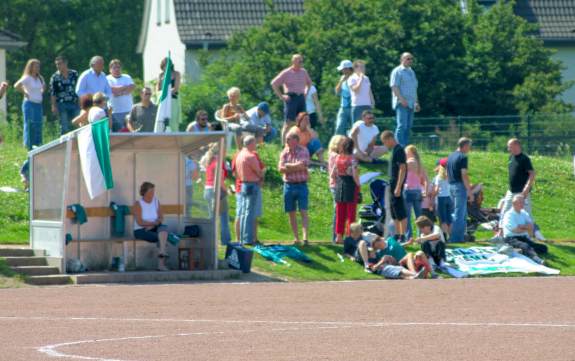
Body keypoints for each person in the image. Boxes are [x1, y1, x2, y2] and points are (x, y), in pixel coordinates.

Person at [271, 54, 312, 143]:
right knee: (288, 123)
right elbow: (274, 83)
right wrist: (281, 96)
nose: (301, 63)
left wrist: (305, 93)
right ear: (293, 62)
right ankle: (283, 144)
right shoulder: (287, 72)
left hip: (301, 98)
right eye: (299, 61)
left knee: (304, 121)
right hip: (291, 98)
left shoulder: (303, 72)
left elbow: (309, 83)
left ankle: (303, 143)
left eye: (302, 61)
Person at [278, 132, 310, 245]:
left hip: (301, 184)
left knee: (303, 211)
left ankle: (305, 238)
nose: (286, 142)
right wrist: (296, 166)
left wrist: (288, 166)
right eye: (286, 139)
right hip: (289, 185)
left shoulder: (303, 150)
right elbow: (280, 169)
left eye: (288, 139)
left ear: (296, 140)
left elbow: (303, 165)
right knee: (291, 212)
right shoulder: (284, 152)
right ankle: (296, 238)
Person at [499, 139, 538, 233]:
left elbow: (532, 174)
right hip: (511, 191)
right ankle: (500, 234)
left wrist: (526, 189)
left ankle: (533, 234)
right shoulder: (511, 157)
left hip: (522, 192)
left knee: (527, 214)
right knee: (504, 212)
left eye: (510, 146)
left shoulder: (524, 159)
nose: (508, 149)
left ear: (517, 146)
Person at [133, 182, 171, 271]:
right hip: (141, 230)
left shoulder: (156, 201)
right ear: (144, 192)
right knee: (162, 238)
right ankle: (161, 265)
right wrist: (152, 224)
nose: (152, 194)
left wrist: (154, 225)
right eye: (150, 192)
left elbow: (161, 217)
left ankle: (162, 253)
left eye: (153, 192)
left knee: (163, 229)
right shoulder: (138, 204)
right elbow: (139, 222)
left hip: (153, 227)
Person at [235, 136, 265, 245]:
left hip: (243, 184)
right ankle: (248, 239)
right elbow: (259, 172)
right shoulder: (250, 156)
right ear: (250, 143)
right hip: (252, 184)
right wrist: (263, 174)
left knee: (244, 212)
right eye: (255, 143)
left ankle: (243, 237)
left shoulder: (239, 155)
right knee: (250, 213)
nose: (256, 145)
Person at [501, 194, 547, 264]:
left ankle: (524, 251)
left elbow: (531, 226)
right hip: (511, 238)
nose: (523, 204)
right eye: (521, 202)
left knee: (543, 248)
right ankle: (536, 259)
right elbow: (515, 230)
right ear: (514, 203)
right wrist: (526, 228)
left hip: (523, 237)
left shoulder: (524, 213)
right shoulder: (509, 215)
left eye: (523, 202)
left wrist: (521, 226)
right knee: (525, 245)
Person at [380, 131, 407, 243]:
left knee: (400, 210)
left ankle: (402, 235)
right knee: (394, 210)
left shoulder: (399, 150)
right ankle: (397, 234)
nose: (385, 145)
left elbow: (402, 168)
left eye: (385, 142)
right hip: (392, 184)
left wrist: (398, 186)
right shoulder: (394, 151)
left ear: (390, 139)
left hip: (396, 185)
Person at [202, 144, 231, 245]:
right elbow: (219, 180)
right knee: (224, 217)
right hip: (217, 191)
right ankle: (225, 240)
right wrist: (227, 190)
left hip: (207, 190)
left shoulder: (209, 160)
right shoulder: (218, 162)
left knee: (212, 217)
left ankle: (211, 239)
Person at [333, 137, 360, 244]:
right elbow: (354, 174)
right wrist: (358, 184)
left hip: (340, 184)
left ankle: (339, 237)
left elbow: (334, 172)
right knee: (351, 214)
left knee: (340, 212)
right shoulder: (352, 158)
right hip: (351, 185)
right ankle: (350, 236)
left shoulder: (338, 158)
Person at [390, 52, 419, 147]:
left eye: (411, 59)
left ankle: (406, 146)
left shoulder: (412, 72)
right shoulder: (397, 71)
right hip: (401, 103)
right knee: (402, 125)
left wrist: (416, 102)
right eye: (407, 59)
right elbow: (394, 86)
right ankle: (399, 146)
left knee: (408, 126)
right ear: (402, 59)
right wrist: (401, 100)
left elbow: (414, 88)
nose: (410, 61)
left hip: (411, 103)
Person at [447, 137, 473, 243]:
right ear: (465, 145)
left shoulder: (451, 156)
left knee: (456, 213)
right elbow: (464, 175)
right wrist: (469, 191)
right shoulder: (463, 157)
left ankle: (459, 236)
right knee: (460, 214)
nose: (469, 149)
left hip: (451, 185)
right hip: (459, 186)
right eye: (469, 146)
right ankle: (455, 238)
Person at [14, 59, 45, 150]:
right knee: (30, 124)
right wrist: (24, 91)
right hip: (29, 104)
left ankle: (38, 144)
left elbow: (43, 86)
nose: (37, 68)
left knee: (38, 124)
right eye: (35, 66)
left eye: (38, 66)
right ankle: (29, 145)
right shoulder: (27, 77)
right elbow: (16, 85)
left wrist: (41, 91)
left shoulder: (40, 78)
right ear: (31, 67)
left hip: (38, 104)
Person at [49, 55, 79, 135]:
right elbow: (53, 92)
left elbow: (79, 88)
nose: (58, 66)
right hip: (62, 104)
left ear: (65, 63)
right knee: (64, 126)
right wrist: (53, 106)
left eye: (60, 63)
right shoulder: (55, 77)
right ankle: (64, 145)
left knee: (78, 124)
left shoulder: (74, 73)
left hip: (74, 102)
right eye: (56, 64)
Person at [404, 145, 428, 240]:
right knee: (419, 216)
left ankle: (408, 237)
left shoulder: (409, 162)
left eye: (406, 152)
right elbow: (426, 180)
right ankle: (420, 236)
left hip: (409, 190)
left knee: (408, 216)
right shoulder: (419, 164)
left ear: (410, 152)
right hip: (418, 191)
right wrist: (425, 191)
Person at [106, 59, 134, 132]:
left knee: (130, 132)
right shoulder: (107, 78)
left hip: (128, 110)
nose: (117, 69)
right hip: (115, 112)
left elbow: (131, 88)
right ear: (110, 69)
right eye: (114, 67)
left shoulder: (127, 77)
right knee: (118, 132)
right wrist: (125, 88)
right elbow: (112, 90)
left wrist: (119, 92)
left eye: (118, 67)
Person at [328, 135, 346, 241]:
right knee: (338, 211)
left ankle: (337, 236)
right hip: (337, 185)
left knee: (338, 210)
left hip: (336, 185)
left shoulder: (332, 154)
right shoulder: (336, 156)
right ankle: (336, 236)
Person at [157, 57, 182, 131]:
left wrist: (166, 92)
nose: (166, 66)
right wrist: (162, 94)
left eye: (168, 64)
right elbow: (158, 89)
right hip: (163, 99)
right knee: (161, 120)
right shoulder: (161, 75)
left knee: (173, 120)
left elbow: (176, 88)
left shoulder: (176, 74)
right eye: (165, 64)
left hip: (173, 99)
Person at [433, 158, 453, 237]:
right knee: (449, 219)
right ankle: (451, 236)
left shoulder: (439, 177)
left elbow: (437, 190)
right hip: (448, 198)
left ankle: (445, 236)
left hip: (441, 198)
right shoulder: (450, 176)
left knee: (443, 219)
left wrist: (432, 195)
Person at [334, 60, 353, 136]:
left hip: (353, 107)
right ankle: (338, 145)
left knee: (355, 128)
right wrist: (341, 81)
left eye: (343, 69)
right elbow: (337, 92)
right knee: (339, 127)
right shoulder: (342, 78)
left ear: (348, 69)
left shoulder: (355, 78)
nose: (342, 71)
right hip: (343, 107)